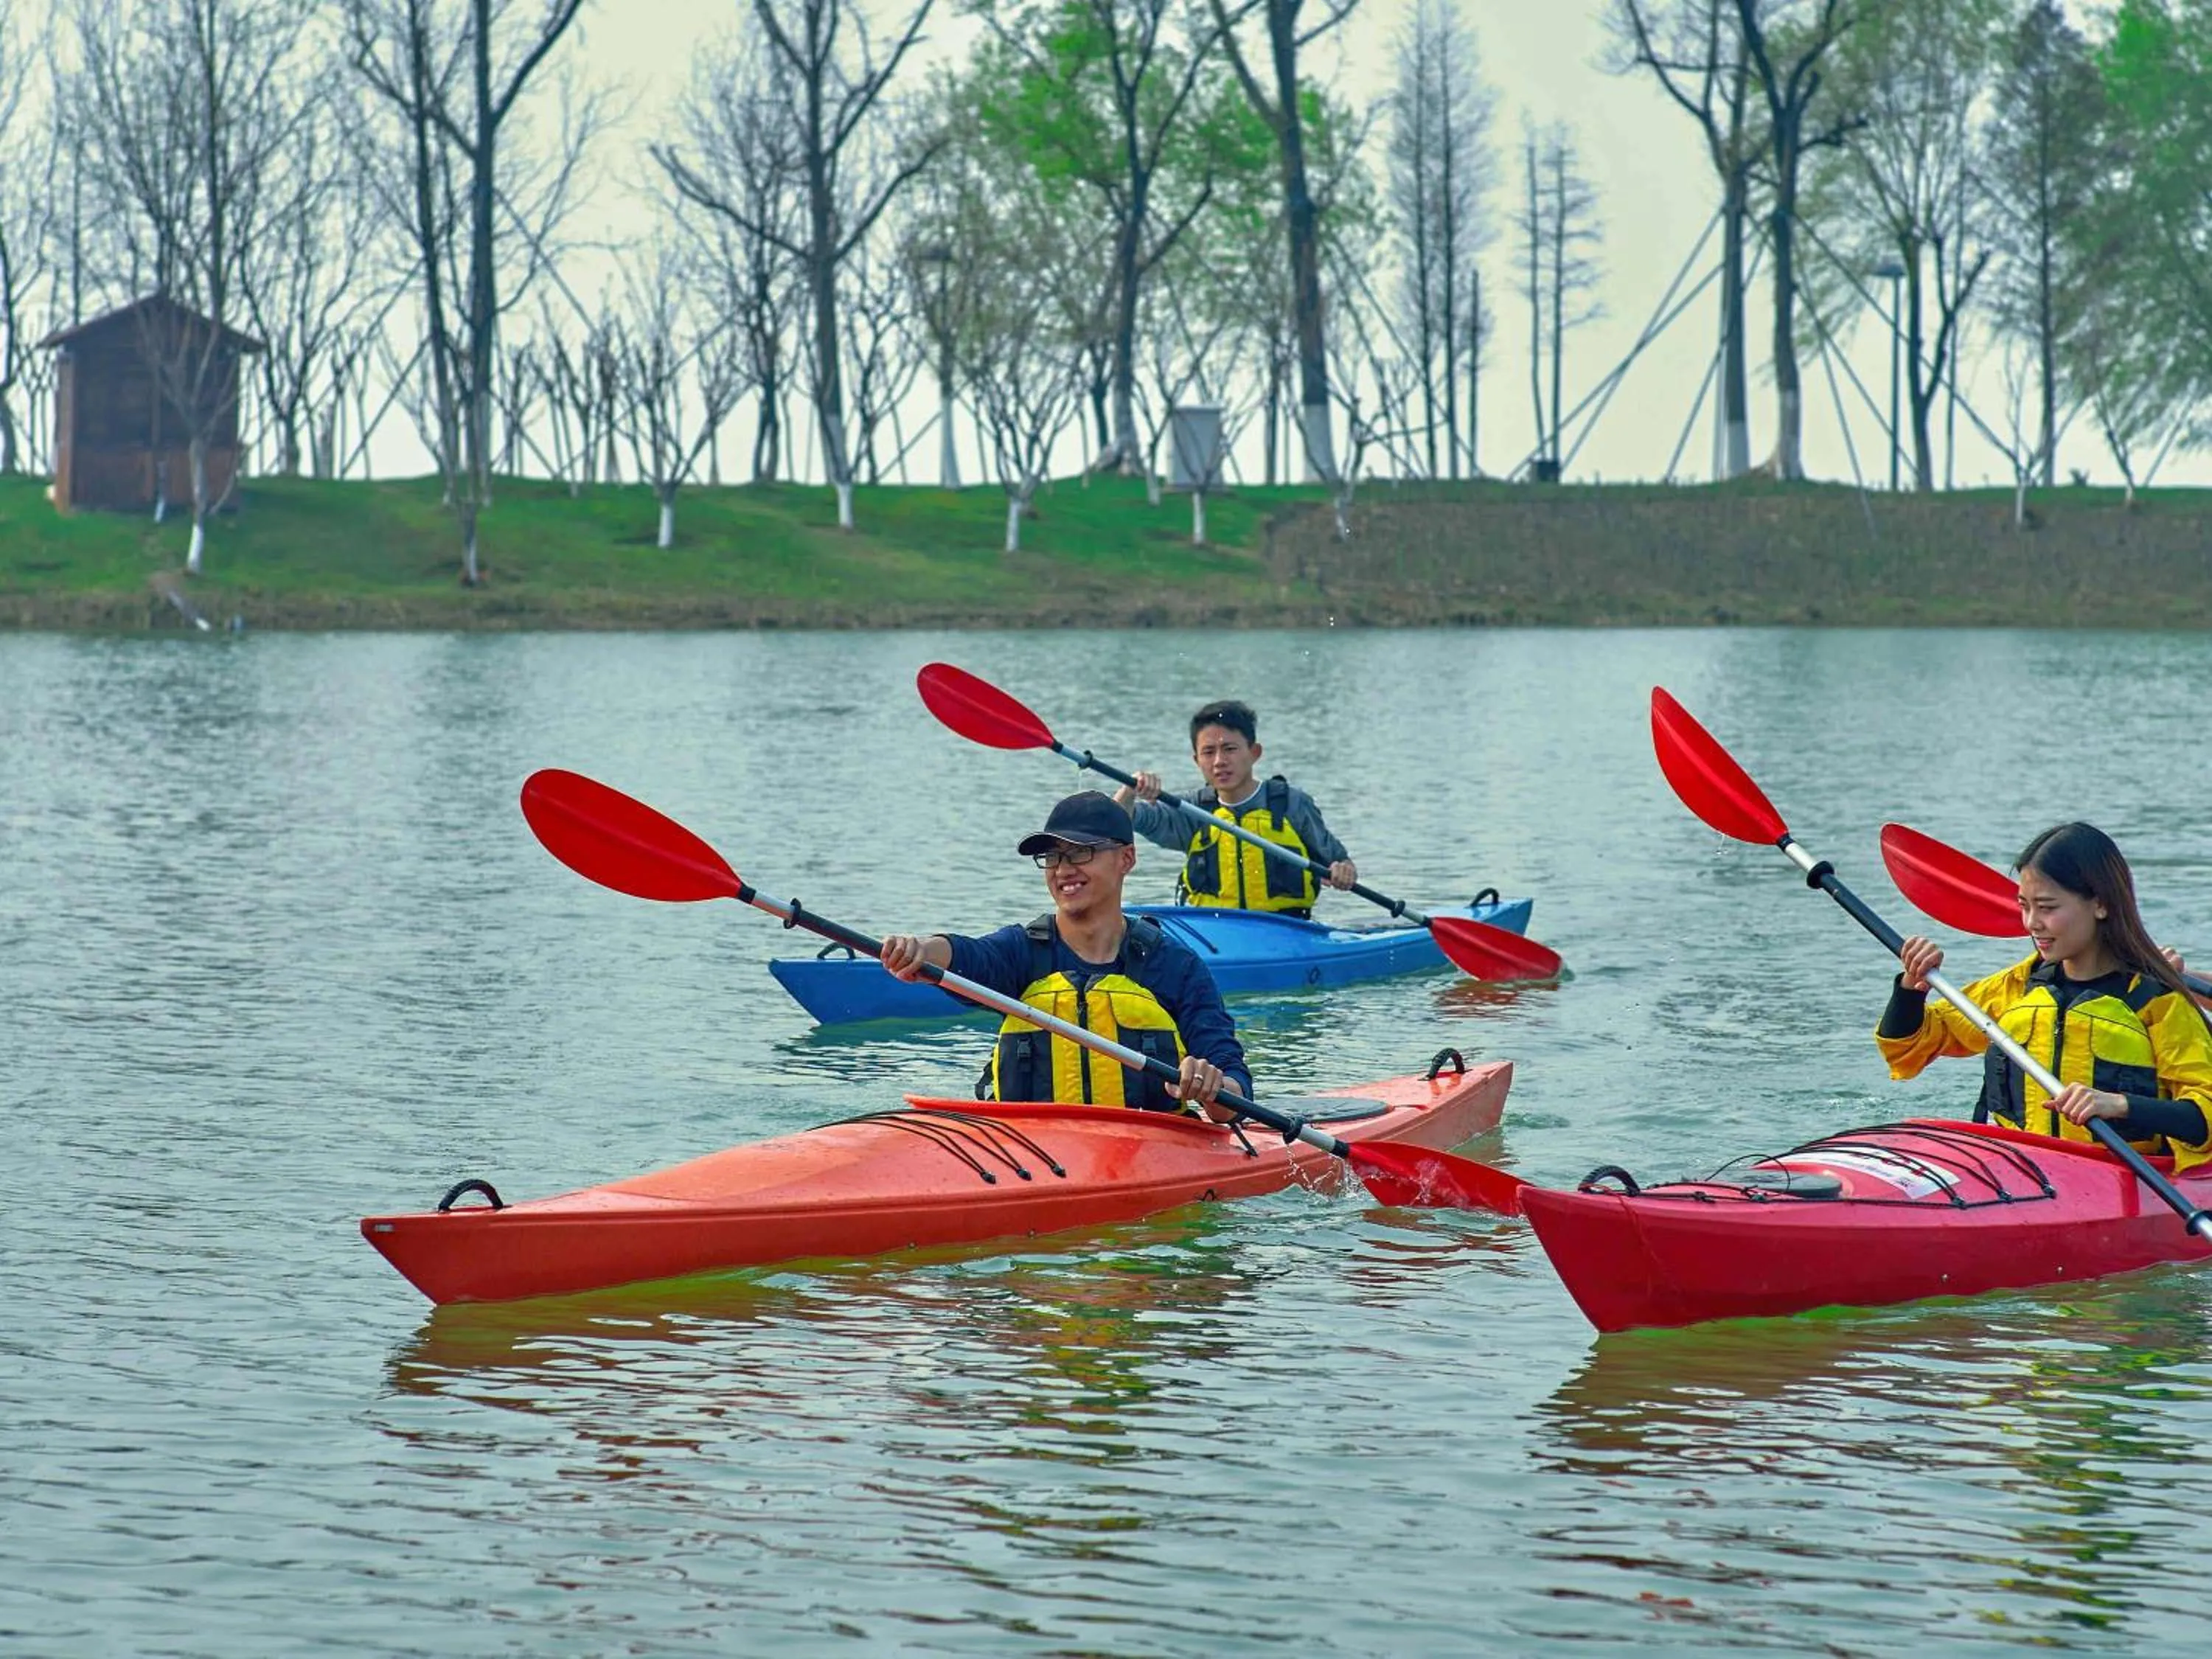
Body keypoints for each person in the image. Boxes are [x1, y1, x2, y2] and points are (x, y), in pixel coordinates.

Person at [880, 790, 1250, 1119]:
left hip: (1148, 1152)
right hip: (1031, 1152)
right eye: (1052, 857)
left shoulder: (1175, 967)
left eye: (1080, 853)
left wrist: (1212, 1088)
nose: (1063, 870)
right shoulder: (1024, 952)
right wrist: (921, 949)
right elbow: (967, 955)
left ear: (1127, 858)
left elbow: (1233, 1093)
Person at [1878, 821, 2212, 1172]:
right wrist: (1911, 989)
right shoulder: (2019, 986)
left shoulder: (2156, 1001)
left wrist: (2120, 1104)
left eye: (2047, 908)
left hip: (2125, 1179)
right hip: (2017, 1175)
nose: (2031, 923)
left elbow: (2206, 1112)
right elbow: (1908, 1047)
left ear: (2100, 904)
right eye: (2025, 906)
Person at [1113, 698, 1355, 917]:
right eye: (1209, 752)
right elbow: (1115, 820)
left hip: (1288, 931)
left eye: (1230, 749)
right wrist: (1130, 789)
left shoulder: (1292, 805)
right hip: (1213, 936)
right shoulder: (1191, 811)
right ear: (1197, 760)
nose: (1219, 762)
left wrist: (1343, 872)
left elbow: (1340, 863)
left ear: (1254, 753)